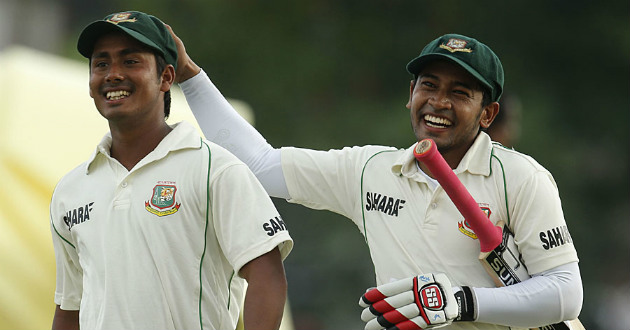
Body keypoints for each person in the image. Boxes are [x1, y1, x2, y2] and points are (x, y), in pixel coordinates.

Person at [172, 30, 583, 329]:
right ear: (411, 93)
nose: (438, 102)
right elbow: (260, 164)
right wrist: (189, 75)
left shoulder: (522, 177)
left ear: (488, 114)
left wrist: (460, 301)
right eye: (429, 85)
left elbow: (565, 293)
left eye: (460, 92)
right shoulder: (370, 170)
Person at [49, 11, 293, 330]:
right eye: (101, 63)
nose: (112, 74)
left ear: (165, 77)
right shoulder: (70, 190)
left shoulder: (214, 169)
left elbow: (267, 275)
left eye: (130, 61)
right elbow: (70, 307)